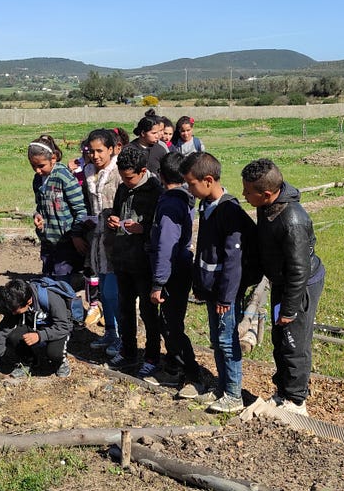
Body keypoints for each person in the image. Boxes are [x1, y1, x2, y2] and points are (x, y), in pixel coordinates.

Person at [241, 158, 325, 416]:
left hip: (298, 287)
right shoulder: (267, 206)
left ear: (266, 194)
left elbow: (299, 271)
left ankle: (297, 401)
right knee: (280, 338)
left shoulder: (292, 221)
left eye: (248, 192)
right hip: (282, 281)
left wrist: (289, 309)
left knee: (294, 341)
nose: (244, 195)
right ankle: (283, 391)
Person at [180, 152, 256, 413]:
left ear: (208, 180)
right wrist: (201, 286)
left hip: (225, 292)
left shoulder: (229, 211)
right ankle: (223, 388)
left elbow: (233, 262)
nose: (189, 188)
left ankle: (234, 394)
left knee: (226, 340)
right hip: (212, 288)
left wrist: (226, 297)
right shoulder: (207, 205)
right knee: (217, 339)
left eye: (191, 183)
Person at [107, 144, 163, 377]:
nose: (125, 181)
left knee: (149, 314)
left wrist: (144, 229)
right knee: (125, 309)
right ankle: (128, 351)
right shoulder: (122, 188)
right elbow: (118, 213)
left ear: (142, 171)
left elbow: (163, 229)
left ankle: (152, 356)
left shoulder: (156, 192)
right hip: (122, 259)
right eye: (122, 176)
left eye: (129, 177)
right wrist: (113, 220)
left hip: (144, 263)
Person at [147, 151, 199, 387]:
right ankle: (176, 365)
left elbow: (166, 245)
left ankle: (184, 369)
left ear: (161, 175)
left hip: (173, 270)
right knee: (172, 321)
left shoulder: (169, 204)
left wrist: (158, 282)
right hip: (182, 265)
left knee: (170, 324)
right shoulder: (186, 198)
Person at [0, 278, 74, 383]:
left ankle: (61, 362)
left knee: (54, 353)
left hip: (57, 328)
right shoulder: (15, 301)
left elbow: (63, 326)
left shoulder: (51, 297)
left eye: (16, 310)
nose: (14, 313)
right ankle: (29, 361)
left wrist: (40, 336)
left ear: (29, 301)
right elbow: (3, 330)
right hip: (36, 326)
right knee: (14, 336)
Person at [82, 128, 122, 356]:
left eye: (100, 151)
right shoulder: (88, 172)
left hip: (116, 239)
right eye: (91, 151)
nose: (95, 156)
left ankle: (121, 335)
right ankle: (110, 331)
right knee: (104, 290)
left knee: (112, 290)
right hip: (97, 238)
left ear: (111, 149)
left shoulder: (117, 173)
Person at [28, 135, 88, 282]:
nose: (37, 170)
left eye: (41, 166)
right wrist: (37, 215)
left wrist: (76, 235)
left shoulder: (63, 177)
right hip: (48, 241)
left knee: (63, 283)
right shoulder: (37, 180)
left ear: (53, 158)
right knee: (48, 281)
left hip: (66, 242)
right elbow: (40, 206)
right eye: (33, 166)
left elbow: (80, 209)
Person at [129, 109, 168, 176]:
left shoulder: (160, 150)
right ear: (143, 133)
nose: (157, 136)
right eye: (154, 133)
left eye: (159, 132)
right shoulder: (130, 150)